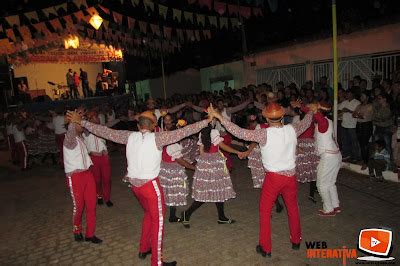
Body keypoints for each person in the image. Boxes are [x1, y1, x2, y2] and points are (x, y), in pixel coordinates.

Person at [67, 109, 214, 266]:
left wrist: (82, 122)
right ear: (153, 125)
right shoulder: (159, 137)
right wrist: (206, 121)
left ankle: (144, 248)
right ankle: (156, 262)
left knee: (149, 215)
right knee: (158, 222)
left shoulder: (129, 136)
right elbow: (186, 131)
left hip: (135, 187)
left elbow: (105, 131)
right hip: (150, 186)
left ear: (138, 125)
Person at [208, 102, 316, 257]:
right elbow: (306, 123)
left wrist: (220, 117)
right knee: (293, 208)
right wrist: (311, 112)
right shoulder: (292, 129)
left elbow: (239, 132)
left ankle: (266, 248)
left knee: (265, 211)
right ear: (283, 115)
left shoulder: (264, 134)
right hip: (291, 177)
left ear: (265, 117)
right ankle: (296, 241)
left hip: (273, 178)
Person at [181, 115, 245, 228]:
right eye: (214, 119)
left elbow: (201, 151)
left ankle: (222, 217)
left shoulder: (202, 133)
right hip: (214, 163)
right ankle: (187, 213)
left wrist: (205, 163)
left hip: (206, 162)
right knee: (208, 193)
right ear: (211, 121)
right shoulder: (214, 131)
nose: (216, 120)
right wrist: (237, 152)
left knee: (217, 190)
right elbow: (223, 146)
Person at [63, 113, 102, 244]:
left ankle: (90, 234)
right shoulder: (69, 139)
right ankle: (77, 229)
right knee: (79, 206)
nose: (82, 125)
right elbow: (71, 132)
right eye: (80, 123)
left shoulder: (80, 138)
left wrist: (79, 118)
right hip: (75, 177)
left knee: (91, 205)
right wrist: (74, 122)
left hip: (87, 174)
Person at [159, 117, 195, 223]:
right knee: (174, 191)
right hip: (172, 170)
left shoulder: (165, 140)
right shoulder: (173, 145)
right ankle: (172, 216)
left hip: (165, 168)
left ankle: (170, 215)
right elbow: (181, 161)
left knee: (168, 191)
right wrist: (194, 168)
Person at [313, 103, 342, 216]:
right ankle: (335, 205)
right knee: (330, 183)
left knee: (321, 185)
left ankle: (328, 209)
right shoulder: (328, 121)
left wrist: (315, 111)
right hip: (335, 155)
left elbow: (317, 117)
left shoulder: (323, 122)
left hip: (329, 156)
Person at [83, 111, 113, 207]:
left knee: (107, 179)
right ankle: (99, 195)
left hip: (104, 157)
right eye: (95, 117)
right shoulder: (86, 130)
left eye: (98, 117)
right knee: (97, 180)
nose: (98, 119)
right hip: (93, 157)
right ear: (90, 120)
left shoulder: (102, 128)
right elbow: (86, 132)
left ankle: (107, 198)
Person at [339, 89, 361, 162]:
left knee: (354, 142)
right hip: (344, 124)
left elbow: (358, 114)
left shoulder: (357, 102)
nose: (347, 95)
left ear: (352, 94)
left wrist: (348, 111)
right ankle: (346, 155)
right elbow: (339, 110)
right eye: (347, 94)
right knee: (344, 141)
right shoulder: (344, 102)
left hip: (352, 125)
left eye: (348, 94)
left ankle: (355, 157)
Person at [353, 93, 373, 169]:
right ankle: (363, 159)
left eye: (363, 96)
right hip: (359, 125)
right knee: (361, 144)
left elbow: (364, 116)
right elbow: (353, 114)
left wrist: (358, 114)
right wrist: (358, 115)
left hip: (366, 126)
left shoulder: (370, 106)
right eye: (360, 96)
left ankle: (366, 162)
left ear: (367, 97)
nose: (361, 97)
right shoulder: (359, 105)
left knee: (365, 144)